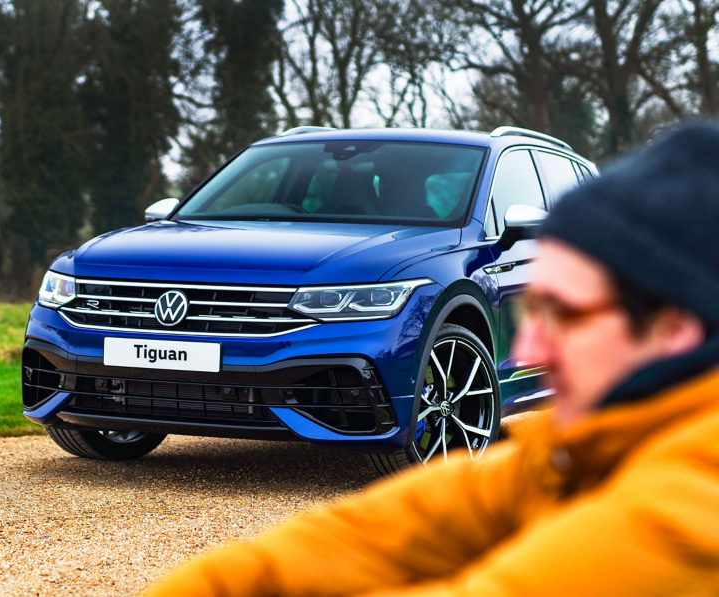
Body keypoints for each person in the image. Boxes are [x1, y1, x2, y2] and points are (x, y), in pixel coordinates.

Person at [145, 122, 719, 597]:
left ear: (674, 329)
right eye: (534, 308)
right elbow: (365, 535)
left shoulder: (693, 507)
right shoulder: (573, 450)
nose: (526, 350)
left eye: (565, 314)